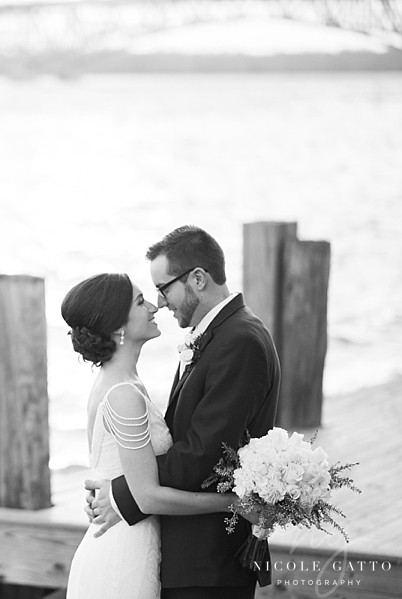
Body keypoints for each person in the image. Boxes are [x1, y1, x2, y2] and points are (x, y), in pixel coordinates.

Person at [85, 226, 280, 599]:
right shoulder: (218, 335)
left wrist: (122, 493)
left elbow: (200, 455)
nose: (160, 302)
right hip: (193, 558)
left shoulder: (239, 341)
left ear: (198, 279)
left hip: (207, 560)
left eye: (164, 288)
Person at [61, 272, 254, 599]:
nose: (154, 306)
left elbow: (110, 472)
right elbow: (147, 496)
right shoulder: (123, 394)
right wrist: (232, 503)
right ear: (117, 326)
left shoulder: (118, 382)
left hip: (126, 539)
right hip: (122, 556)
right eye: (140, 302)